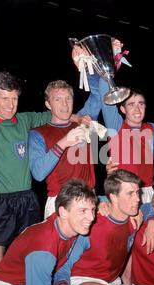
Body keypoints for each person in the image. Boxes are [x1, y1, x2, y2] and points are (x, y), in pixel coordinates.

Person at [0, 71, 90, 269]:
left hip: (27, 198)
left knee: (30, 250)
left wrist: (76, 117)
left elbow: (50, 114)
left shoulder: (26, 120)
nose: (11, 105)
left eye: (15, 98)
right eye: (5, 98)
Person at [53, 169, 154, 285]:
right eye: (130, 194)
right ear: (113, 197)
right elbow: (63, 266)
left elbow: (149, 206)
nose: (137, 199)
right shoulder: (91, 224)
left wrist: (152, 221)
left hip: (113, 283)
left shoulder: (134, 215)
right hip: (82, 281)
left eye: (137, 192)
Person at [0, 179, 97, 285]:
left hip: (42, 282)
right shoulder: (44, 245)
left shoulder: (69, 226)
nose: (91, 217)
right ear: (63, 212)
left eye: (93, 210)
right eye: (83, 211)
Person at [29, 74, 102, 219]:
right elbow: (38, 173)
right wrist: (64, 143)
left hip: (89, 198)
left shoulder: (83, 122)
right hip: (60, 202)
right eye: (58, 99)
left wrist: (87, 69)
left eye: (68, 98)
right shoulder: (38, 134)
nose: (64, 104)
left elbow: (98, 94)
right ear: (48, 104)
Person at [99, 78, 154, 203]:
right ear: (122, 109)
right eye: (131, 104)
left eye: (141, 104)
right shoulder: (116, 126)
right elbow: (104, 95)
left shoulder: (153, 129)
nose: (137, 109)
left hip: (147, 192)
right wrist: (106, 74)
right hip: (123, 192)